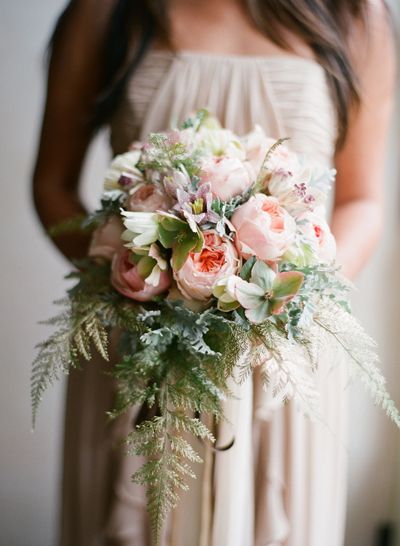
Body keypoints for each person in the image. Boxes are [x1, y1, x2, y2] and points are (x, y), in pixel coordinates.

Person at [32, 1, 395, 545]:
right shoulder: (106, 11)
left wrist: (287, 297)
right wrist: (144, 279)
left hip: (285, 357)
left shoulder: (354, 15)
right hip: (139, 347)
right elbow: (52, 184)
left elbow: (363, 199)